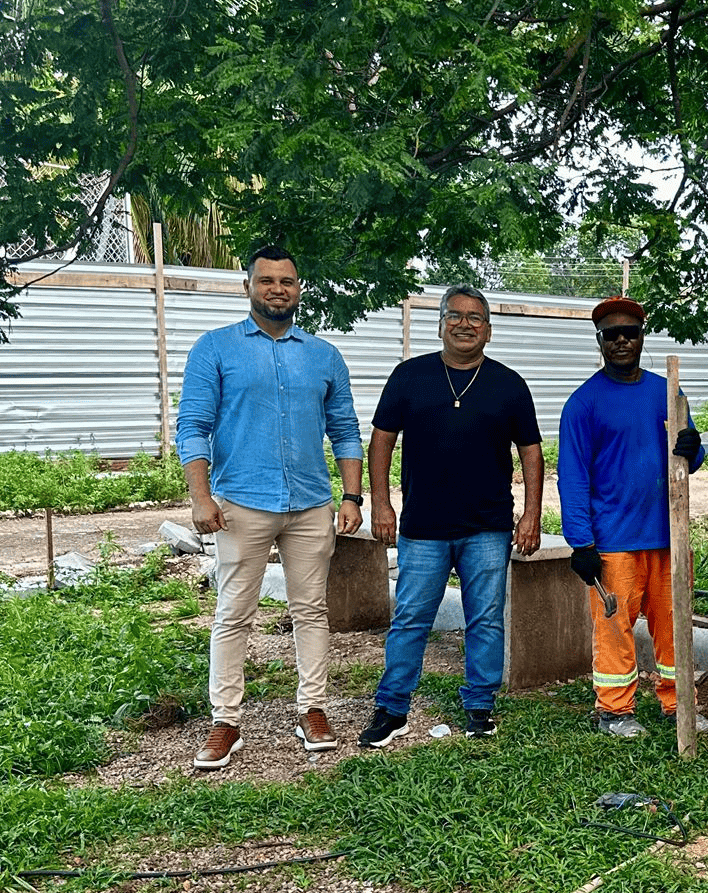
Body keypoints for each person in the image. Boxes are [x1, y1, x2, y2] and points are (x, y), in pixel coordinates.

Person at [178, 245, 364, 769]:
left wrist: (351, 496)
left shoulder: (324, 355)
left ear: (298, 288)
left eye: (287, 280)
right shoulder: (214, 349)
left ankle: (313, 709)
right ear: (249, 286)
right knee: (234, 612)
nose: (277, 289)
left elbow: (346, 430)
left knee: (312, 610)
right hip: (241, 503)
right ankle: (226, 721)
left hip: (310, 504)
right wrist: (200, 497)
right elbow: (192, 426)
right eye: (267, 280)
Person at [357, 286, 544, 748]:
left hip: (488, 525)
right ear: (441, 323)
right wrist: (380, 502)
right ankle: (392, 708)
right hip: (423, 526)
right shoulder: (410, 376)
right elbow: (381, 440)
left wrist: (532, 516)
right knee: (411, 618)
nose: (465, 324)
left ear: (489, 330)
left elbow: (532, 453)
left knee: (485, 619)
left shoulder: (509, 384)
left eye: (475, 317)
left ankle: (479, 706)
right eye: (455, 315)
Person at [558, 296, 708, 737]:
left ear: (642, 338)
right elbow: (572, 478)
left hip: (668, 538)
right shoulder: (584, 404)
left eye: (630, 333)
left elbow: (690, 460)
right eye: (612, 335)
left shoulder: (668, 392)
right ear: (600, 341)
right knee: (615, 627)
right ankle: (615, 711)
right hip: (613, 543)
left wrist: (692, 448)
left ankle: (679, 703)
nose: (622, 341)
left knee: (674, 625)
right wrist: (581, 543)